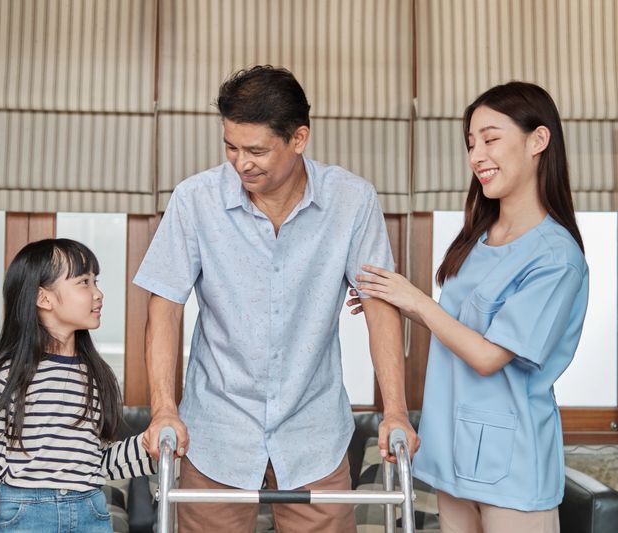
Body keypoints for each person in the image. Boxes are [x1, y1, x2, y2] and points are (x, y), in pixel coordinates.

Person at [133, 65, 419, 532]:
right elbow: (164, 306)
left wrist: (395, 412)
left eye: (256, 150)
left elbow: (380, 308)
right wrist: (164, 407)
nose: (241, 163)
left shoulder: (352, 201)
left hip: (314, 431)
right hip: (216, 430)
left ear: (299, 138)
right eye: (230, 147)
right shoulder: (195, 200)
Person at [349, 81, 588, 533]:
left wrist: (414, 299)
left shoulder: (556, 258)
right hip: (453, 457)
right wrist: (396, 301)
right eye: (471, 143)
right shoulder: (478, 238)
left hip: (514, 469)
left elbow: (487, 356)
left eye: (491, 139)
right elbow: (461, 328)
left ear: (538, 140)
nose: (477, 155)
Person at [0, 239, 156, 532]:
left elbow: (95, 463)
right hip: (25, 517)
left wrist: (149, 447)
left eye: (96, 281)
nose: (98, 293)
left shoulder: (96, 374)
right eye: (84, 282)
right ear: (44, 299)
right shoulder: (6, 374)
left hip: (89, 511)